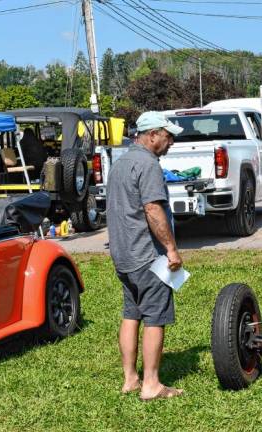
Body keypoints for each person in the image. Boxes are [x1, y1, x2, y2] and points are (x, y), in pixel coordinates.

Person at [106, 111, 185, 401]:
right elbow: (153, 210)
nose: (171, 142)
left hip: (123, 256)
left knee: (131, 314)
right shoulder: (148, 165)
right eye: (168, 136)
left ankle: (130, 379)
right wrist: (171, 249)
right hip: (147, 256)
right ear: (152, 135)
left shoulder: (120, 163)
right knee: (155, 317)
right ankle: (151, 384)